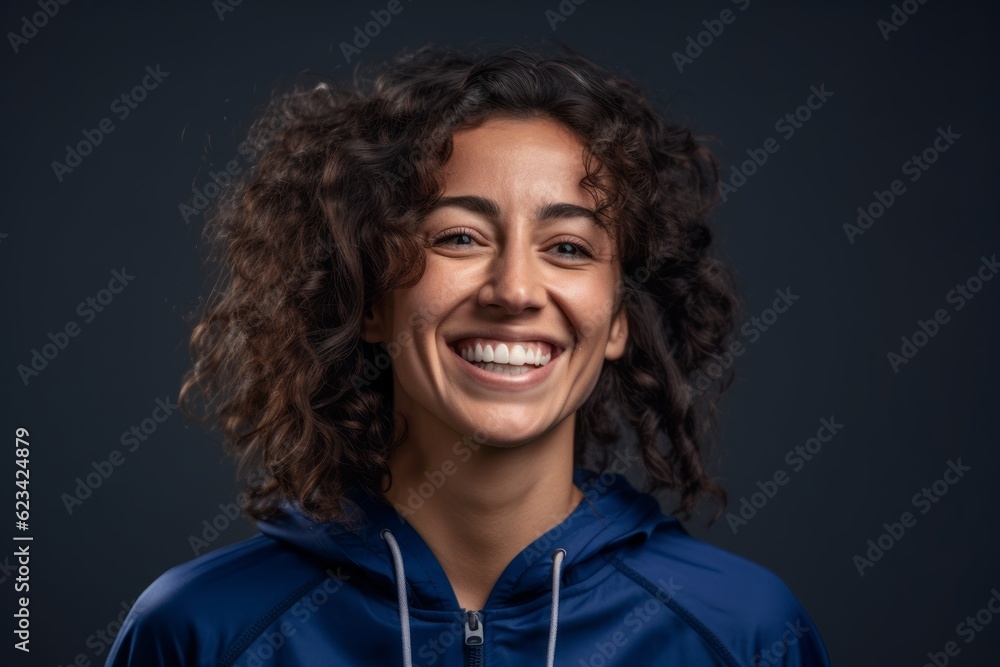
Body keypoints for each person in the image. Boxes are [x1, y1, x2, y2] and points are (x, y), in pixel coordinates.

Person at [106, 42, 832, 666]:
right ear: (367, 299)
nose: (515, 288)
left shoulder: (744, 632)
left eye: (569, 248)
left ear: (619, 320)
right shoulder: (200, 631)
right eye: (459, 236)